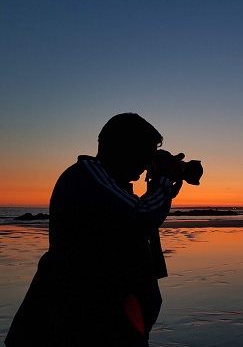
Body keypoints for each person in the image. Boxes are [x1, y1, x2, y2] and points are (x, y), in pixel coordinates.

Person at [6, 113, 184, 346]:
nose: (146, 163)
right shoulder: (88, 175)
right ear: (122, 147)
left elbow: (130, 223)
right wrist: (163, 180)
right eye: (145, 152)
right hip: (78, 322)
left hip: (100, 318)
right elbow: (140, 220)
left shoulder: (107, 183)